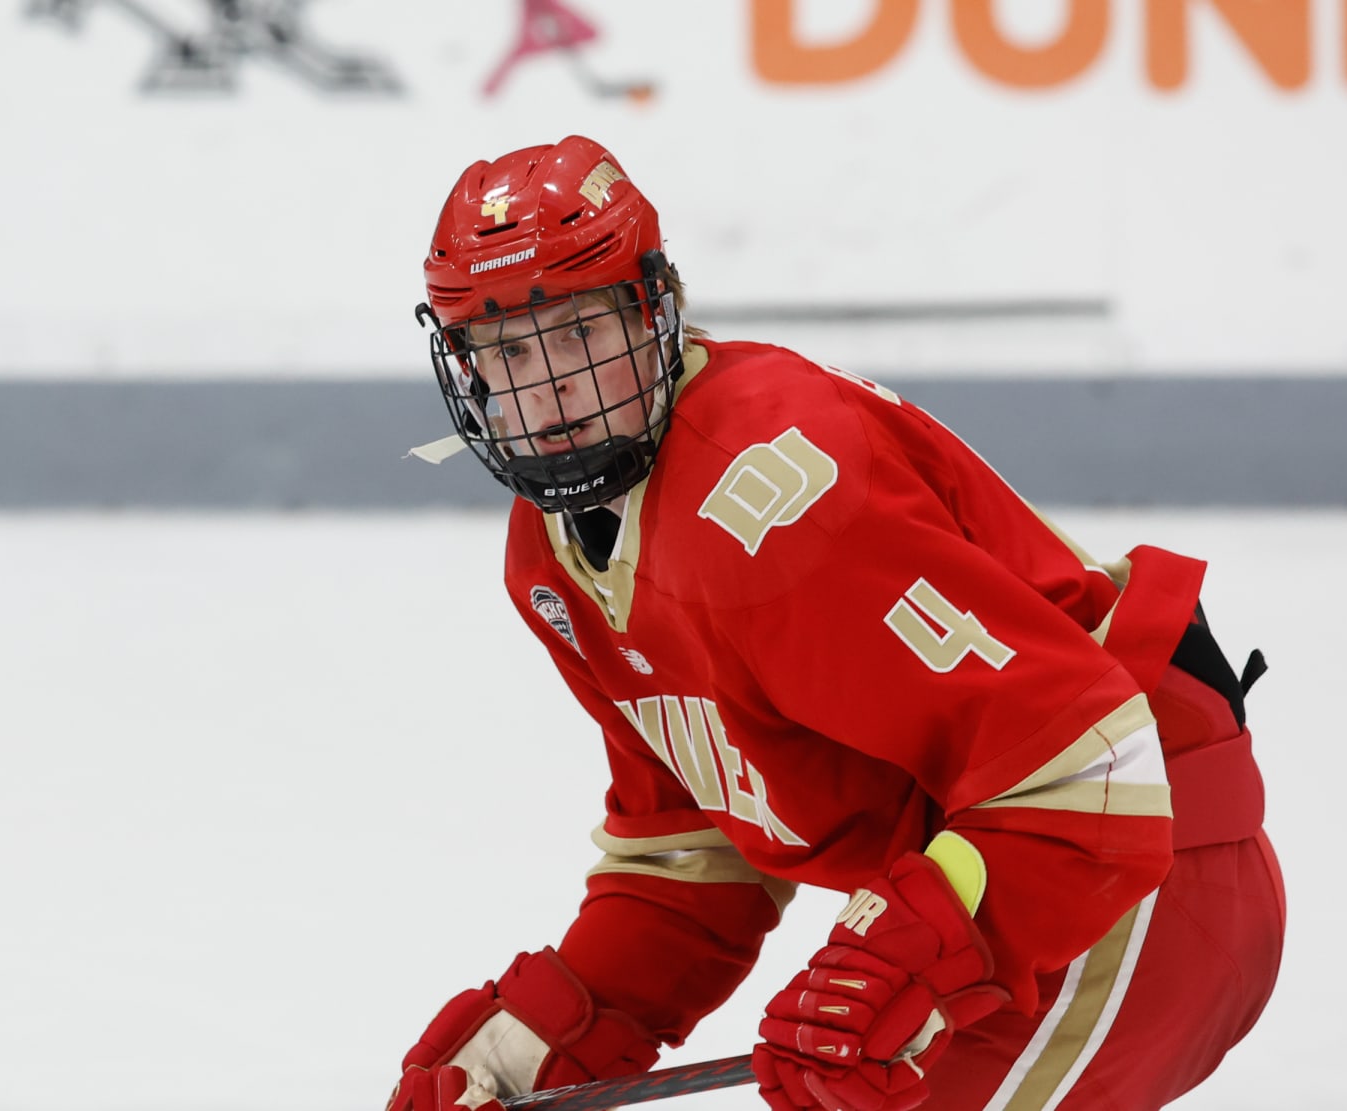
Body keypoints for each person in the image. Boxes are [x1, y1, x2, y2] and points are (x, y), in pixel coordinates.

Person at [389, 135, 1285, 1111]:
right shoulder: (551, 559)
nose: (548, 387)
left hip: (1134, 886)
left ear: (653, 315)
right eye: (508, 350)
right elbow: (698, 849)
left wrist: (898, 959)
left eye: (578, 334)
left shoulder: (772, 495)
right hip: (1034, 890)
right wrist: (547, 1038)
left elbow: (1090, 767)